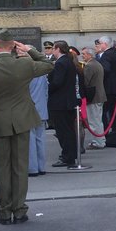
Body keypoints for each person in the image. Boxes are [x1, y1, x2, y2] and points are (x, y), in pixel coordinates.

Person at [0, 29, 54, 224]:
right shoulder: (24, 64)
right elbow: (49, 64)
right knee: (20, 167)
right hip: (22, 121)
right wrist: (30, 50)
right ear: (13, 46)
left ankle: (4, 211)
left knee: (2, 168)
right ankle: (19, 210)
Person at [47, 40, 80, 168]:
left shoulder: (61, 63)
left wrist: (47, 88)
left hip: (61, 103)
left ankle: (67, 156)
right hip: (67, 101)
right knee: (68, 130)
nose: (52, 51)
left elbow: (57, 82)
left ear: (58, 49)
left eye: (53, 49)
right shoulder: (68, 61)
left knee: (63, 131)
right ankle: (71, 154)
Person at [96, 36, 116, 135]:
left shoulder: (106, 55)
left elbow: (105, 70)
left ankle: (105, 132)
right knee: (115, 112)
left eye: (99, 43)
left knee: (104, 112)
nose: (99, 45)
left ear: (105, 44)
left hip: (109, 88)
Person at [81, 47, 107, 149]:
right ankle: (100, 140)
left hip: (94, 96)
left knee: (94, 121)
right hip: (99, 95)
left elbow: (86, 81)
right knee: (97, 120)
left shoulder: (90, 66)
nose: (82, 56)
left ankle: (98, 142)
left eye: (84, 54)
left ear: (89, 55)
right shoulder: (97, 64)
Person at [28, 73, 49, 177]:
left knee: (30, 140)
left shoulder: (24, 73)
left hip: (29, 110)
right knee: (40, 139)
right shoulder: (42, 74)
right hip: (41, 108)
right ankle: (42, 167)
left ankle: (32, 168)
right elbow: (46, 92)